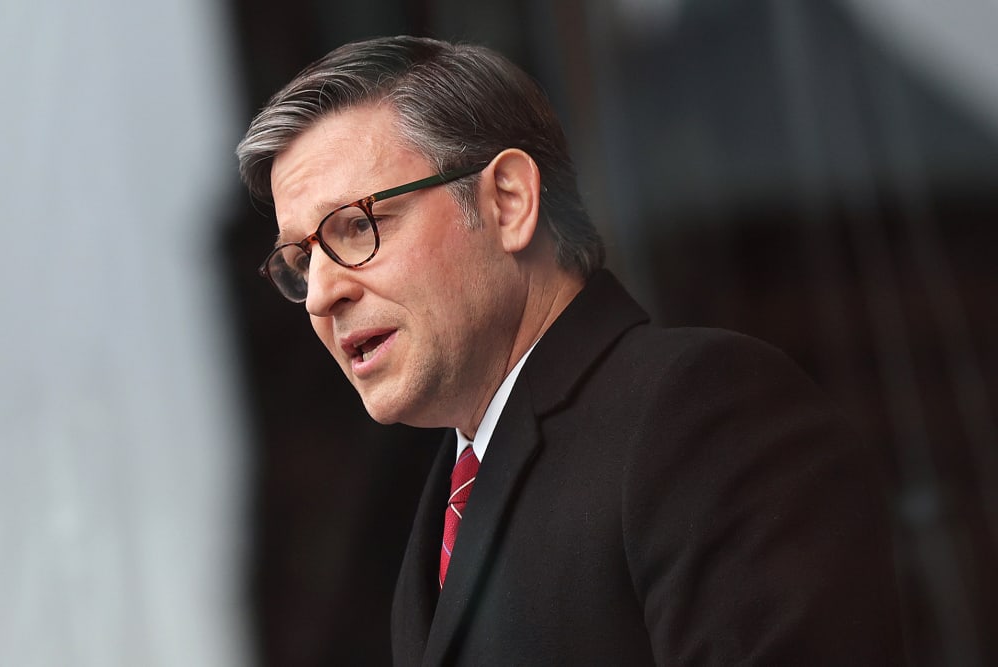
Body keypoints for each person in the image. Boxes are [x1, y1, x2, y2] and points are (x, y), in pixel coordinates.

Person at [236, 35, 904, 665]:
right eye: (299, 260)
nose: (321, 294)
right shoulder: (438, 506)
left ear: (508, 201)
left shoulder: (698, 414)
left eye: (356, 226)